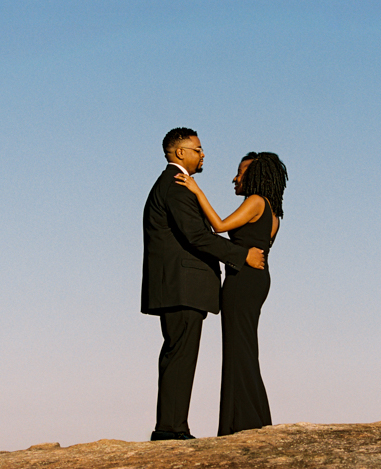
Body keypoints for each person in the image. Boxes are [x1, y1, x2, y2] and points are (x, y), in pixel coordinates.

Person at [141, 128, 265, 441]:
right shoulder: (176, 186)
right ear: (179, 152)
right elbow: (196, 236)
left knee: (178, 354)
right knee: (180, 355)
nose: (203, 154)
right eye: (197, 149)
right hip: (183, 286)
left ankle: (173, 427)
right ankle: (170, 430)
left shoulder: (175, 185)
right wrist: (241, 255)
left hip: (179, 286)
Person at [175, 151, 288, 436]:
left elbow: (219, 226)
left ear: (256, 176)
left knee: (238, 350)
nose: (235, 178)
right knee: (245, 350)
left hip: (242, 281)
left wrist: (197, 191)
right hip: (258, 280)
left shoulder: (256, 201)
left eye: (240, 172)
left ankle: (242, 424)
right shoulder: (274, 213)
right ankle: (251, 419)